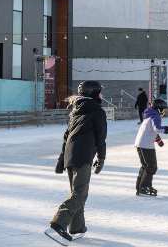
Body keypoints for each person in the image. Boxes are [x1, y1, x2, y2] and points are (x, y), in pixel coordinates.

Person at [46, 81, 108, 246]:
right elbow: (101, 139)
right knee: (80, 193)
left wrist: (61, 159)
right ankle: (58, 224)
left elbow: (67, 136)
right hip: (83, 156)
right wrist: (101, 158)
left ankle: (77, 229)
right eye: (100, 92)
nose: (102, 95)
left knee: (77, 192)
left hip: (70, 155)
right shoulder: (97, 111)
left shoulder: (77, 110)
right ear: (93, 93)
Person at [134, 98, 168, 197]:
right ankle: (145, 187)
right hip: (146, 145)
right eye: (164, 110)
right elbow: (157, 128)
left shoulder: (149, 116)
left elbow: (150, 131)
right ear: (159, 109)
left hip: (140, 144)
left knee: (145, 166)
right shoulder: (155, 116)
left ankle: (140, 187)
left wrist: (158, 140)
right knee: (151, 166)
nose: (164, 112)